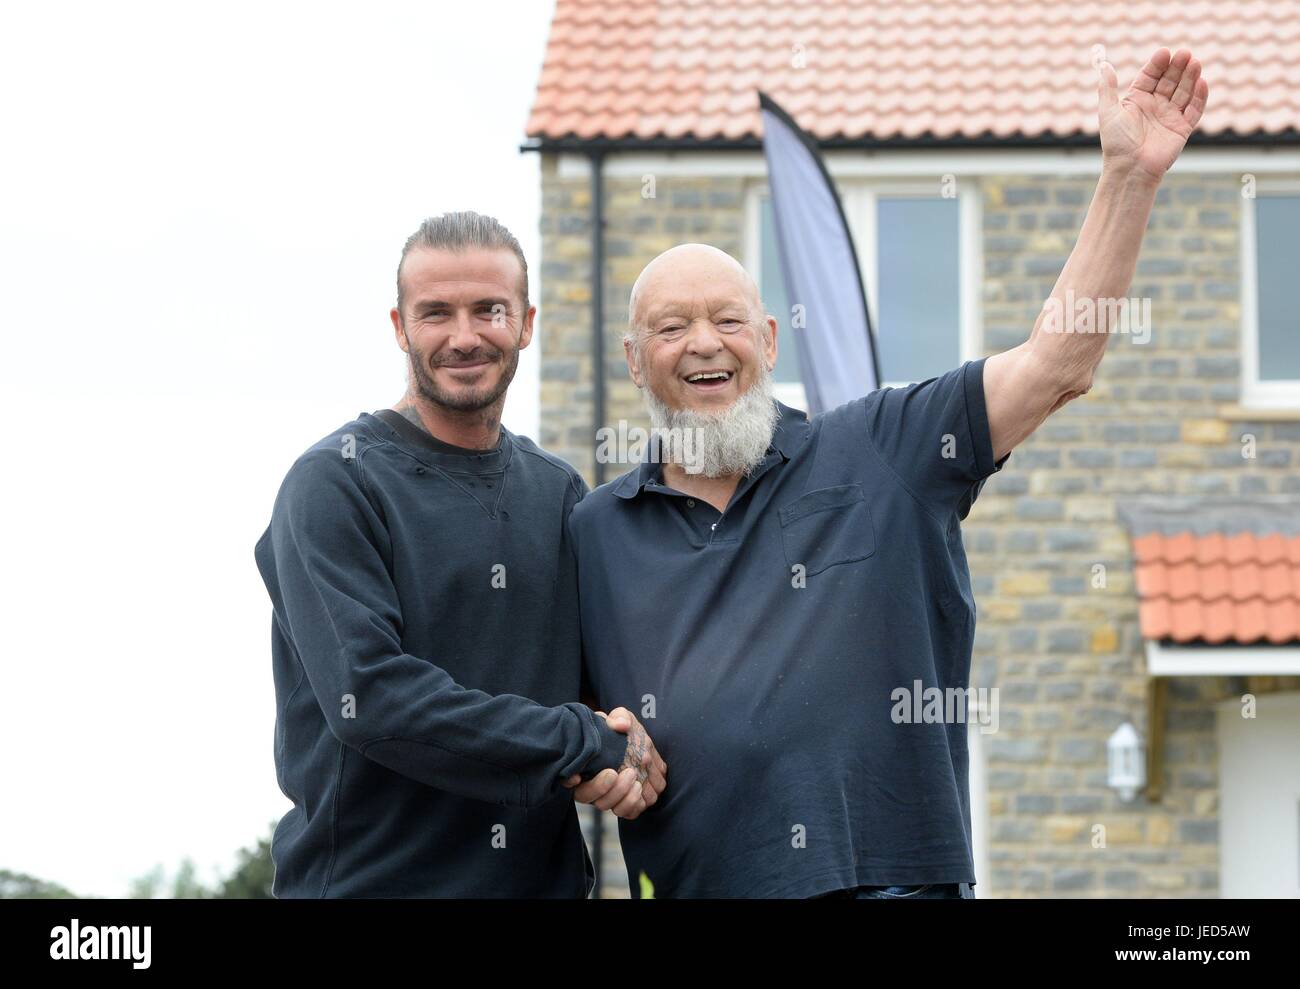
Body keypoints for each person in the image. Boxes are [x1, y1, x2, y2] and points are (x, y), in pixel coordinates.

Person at [567, 48, 1208, 897]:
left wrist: (1128, 178)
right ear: (634, 362)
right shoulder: (595, 531)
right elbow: (567, 721)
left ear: (766, 339)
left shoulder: (882, 446)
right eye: (671, 327)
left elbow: (1056, 364)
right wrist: (600, 750)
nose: (703, 343)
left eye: (726, 319)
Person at [255, 211, 666, 897]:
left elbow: (596, 681)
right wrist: (582, 742)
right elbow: (372, 696)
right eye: (436, 312)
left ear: (527, 323)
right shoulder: (335, 483)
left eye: (489, 310)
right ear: (399, 326)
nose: (464, 336)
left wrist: (621, 749)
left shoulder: (558, 491)